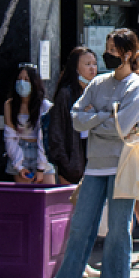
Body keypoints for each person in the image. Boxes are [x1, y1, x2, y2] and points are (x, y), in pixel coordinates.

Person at [39, 28, 139, 278]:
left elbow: (122, 127)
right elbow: (76, 118)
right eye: (107, 48)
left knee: (117, 234)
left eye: (112, 49)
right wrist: (106, 115)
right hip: (95, 167)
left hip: (123, 165)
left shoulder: (135, 85)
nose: (107, 54)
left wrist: (95, 120)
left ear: (128, 53)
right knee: (79, 230)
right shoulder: (99, 83)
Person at [47, 47, 97, 185]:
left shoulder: (98, 92)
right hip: (73, 164)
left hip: (94, 162)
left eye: (94, 63)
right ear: (76, 68)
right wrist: (65, 163)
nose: (92, 68)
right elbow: (56, 133)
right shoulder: (66, 94)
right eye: (87, 64)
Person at [4, 63, 55, 185]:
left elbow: (44, 137)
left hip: (41, 151)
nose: (22, 83)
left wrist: (41, 168)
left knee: (48, 194)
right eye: (19, 79)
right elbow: (10, 136)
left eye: (26, 79)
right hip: (20, 151)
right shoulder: (10, 105)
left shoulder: (45, 106)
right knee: (24, 197)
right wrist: (19, 166)